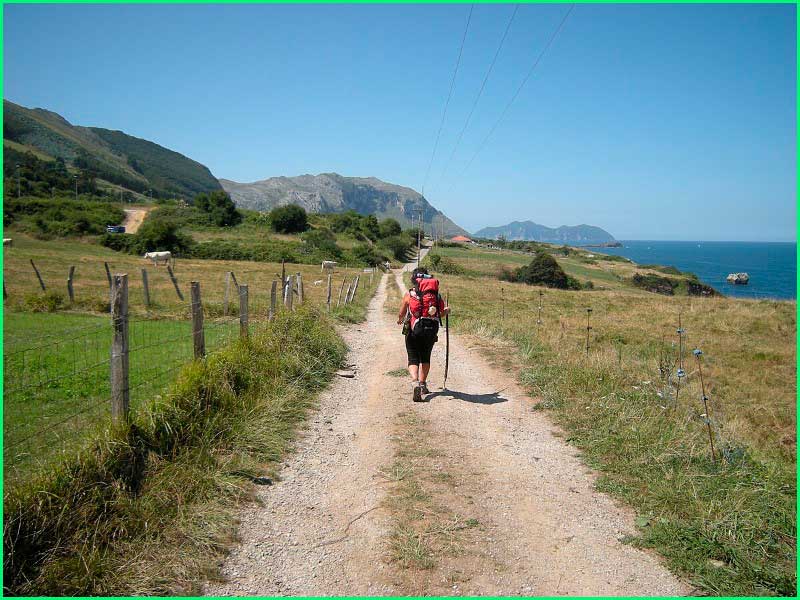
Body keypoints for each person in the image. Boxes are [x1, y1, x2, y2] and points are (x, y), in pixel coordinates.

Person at [397, 267, 450, 401]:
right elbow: (441, 313)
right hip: (431, 331)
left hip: (413, 330)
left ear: (415, 280)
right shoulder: (436, 296)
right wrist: (447, 310)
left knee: (413, 358)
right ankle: (422, 384)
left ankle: (415, 381)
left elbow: (402, 313)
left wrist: (400, 319)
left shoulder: (410, 294)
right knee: (425, 358)